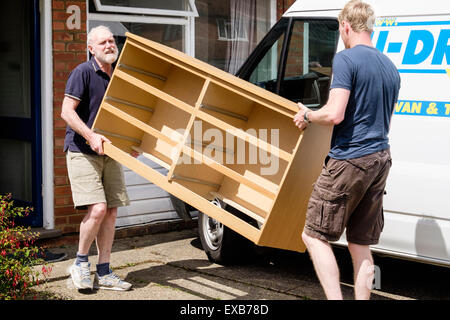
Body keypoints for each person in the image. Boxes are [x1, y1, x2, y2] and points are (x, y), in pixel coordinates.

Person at [293, 0, 400, 300]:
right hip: (381, 159)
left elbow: (335, 113)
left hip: (350, 159)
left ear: (345, 26)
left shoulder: (346, 59)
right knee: (360, 244)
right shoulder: (389, 67)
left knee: (313, 235)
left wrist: (308, 115)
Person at [61, 25, 133, 291]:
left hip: (110, 151)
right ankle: (80, 263)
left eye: (112, 41)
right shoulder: (82, 72)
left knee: (112, 211)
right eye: (103, 42)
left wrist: (130, 142)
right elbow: (67, 112)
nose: (109, 45)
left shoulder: (118, 75)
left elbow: (123, 115)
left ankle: (104, 271)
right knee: (98, 208)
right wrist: (91, 135)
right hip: (82, 150)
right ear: (91, 48)